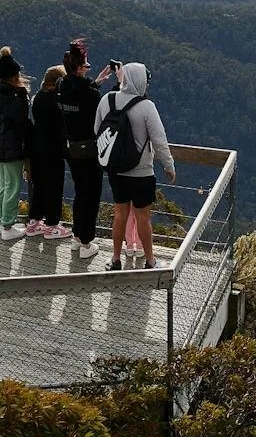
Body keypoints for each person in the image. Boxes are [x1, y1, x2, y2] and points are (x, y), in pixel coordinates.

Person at [96, 61, 175, 270]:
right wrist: (169, 165)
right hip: (142, 173)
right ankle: (150, 260)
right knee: (143, 217)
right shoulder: (146, 106)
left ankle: (115, 259)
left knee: (120, 214)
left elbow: (97, 130)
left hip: (116, 170)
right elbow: (159, 140)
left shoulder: (107, 100)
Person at [56, 39, 114, 260]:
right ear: (80, 68)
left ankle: (76, 236)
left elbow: (78, 98)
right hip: (90, 149)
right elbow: (102, 115)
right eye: (87, 66)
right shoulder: (90, 95)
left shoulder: (62, 85)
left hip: (71, 147)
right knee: (92, 194)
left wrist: (95, 83)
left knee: (80, 191)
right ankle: (86, 241)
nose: (88, 69)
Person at [0, 46, 31, 243]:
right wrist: (23, 97)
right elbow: (22, 122)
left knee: (4, 185)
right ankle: (8, 225)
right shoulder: (14, 98)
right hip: (12, 147)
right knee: (13, 186)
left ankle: (2, 221)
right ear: (14, 76)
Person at [27, 64, 72, 242]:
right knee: (54, 187)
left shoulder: (37, 98)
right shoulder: (56, 101)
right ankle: (52, 225)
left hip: (36, 147)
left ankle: (34, 222)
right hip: (53, 149)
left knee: (39, 185)